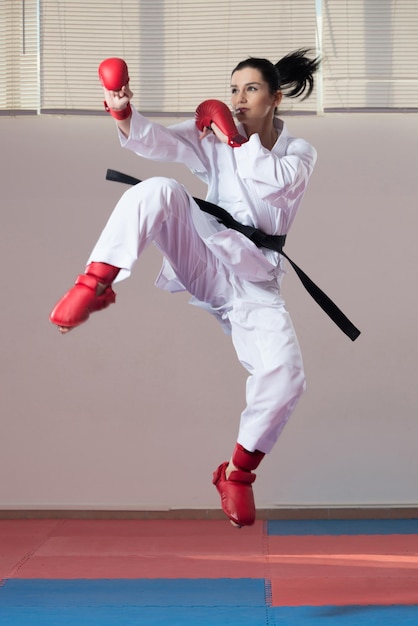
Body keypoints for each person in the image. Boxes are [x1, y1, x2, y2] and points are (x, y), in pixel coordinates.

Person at [50, 50, 321, 527]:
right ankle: (96, 281)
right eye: (233, 89)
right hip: (206, 255)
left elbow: (274, 184)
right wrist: (122, 109)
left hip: (254, 283)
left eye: (251, 89)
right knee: (159, 189)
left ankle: (236, 475)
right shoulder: (215, 139)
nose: (237, 99)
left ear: (276, 98)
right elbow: (158, 143)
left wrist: (235, 139)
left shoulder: (299, 152)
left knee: (286, 377)